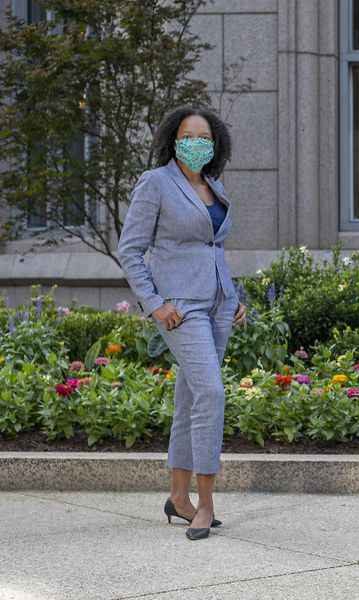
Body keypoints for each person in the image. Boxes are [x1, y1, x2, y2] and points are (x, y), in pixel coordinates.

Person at [117, 106, 247, 541]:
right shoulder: (156, 183)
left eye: (205, 137)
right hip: (180, 308)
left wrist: (234, 294)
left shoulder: (214, 185)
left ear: (215, 144)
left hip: (219, 304)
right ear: (174, 140)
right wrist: (154, 303)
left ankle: (178, 497)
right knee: (210, 393)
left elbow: (214, 248)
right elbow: (130, 250)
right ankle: (206, 504)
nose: (198, 143)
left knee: (190, 398)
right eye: (189, 136)